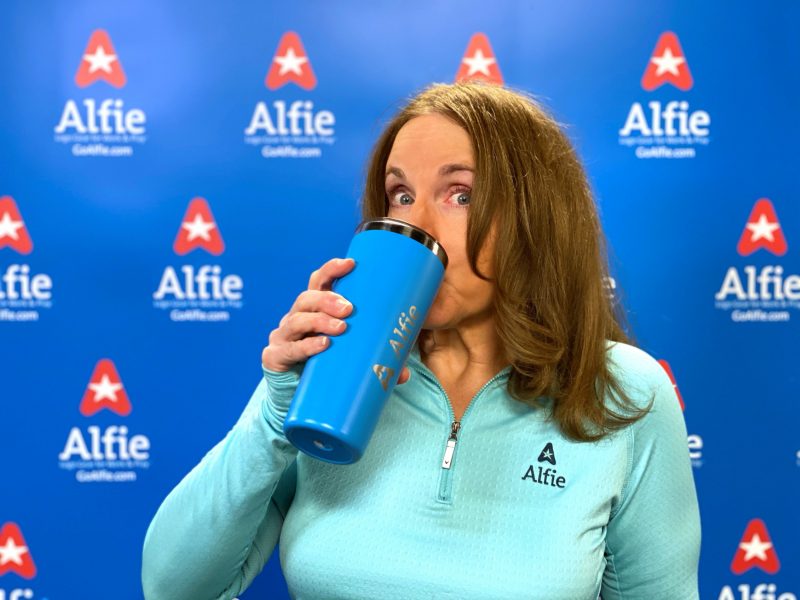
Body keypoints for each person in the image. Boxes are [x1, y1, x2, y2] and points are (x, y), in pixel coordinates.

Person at [141, 81, 701, 599]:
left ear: (538, 217)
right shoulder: (337, 366)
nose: (419, 225)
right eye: (401, 195)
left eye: (460, 194)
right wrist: (272, 416)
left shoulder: (623, 390)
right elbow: (173, 588)